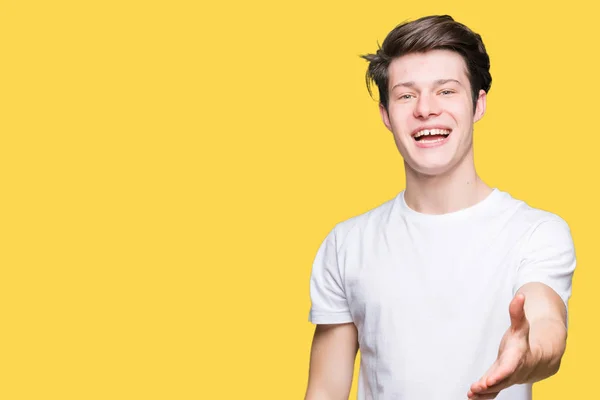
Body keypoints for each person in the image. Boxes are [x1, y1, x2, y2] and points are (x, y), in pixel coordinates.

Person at [304, 14, 576, 400]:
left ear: (477, 104)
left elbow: (547, 322)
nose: (425, 109)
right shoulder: (346, 244)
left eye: (446, 91)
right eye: (406, 95)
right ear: (385, 114)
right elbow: (325, 391)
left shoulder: (536, 232)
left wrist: (527, 354)